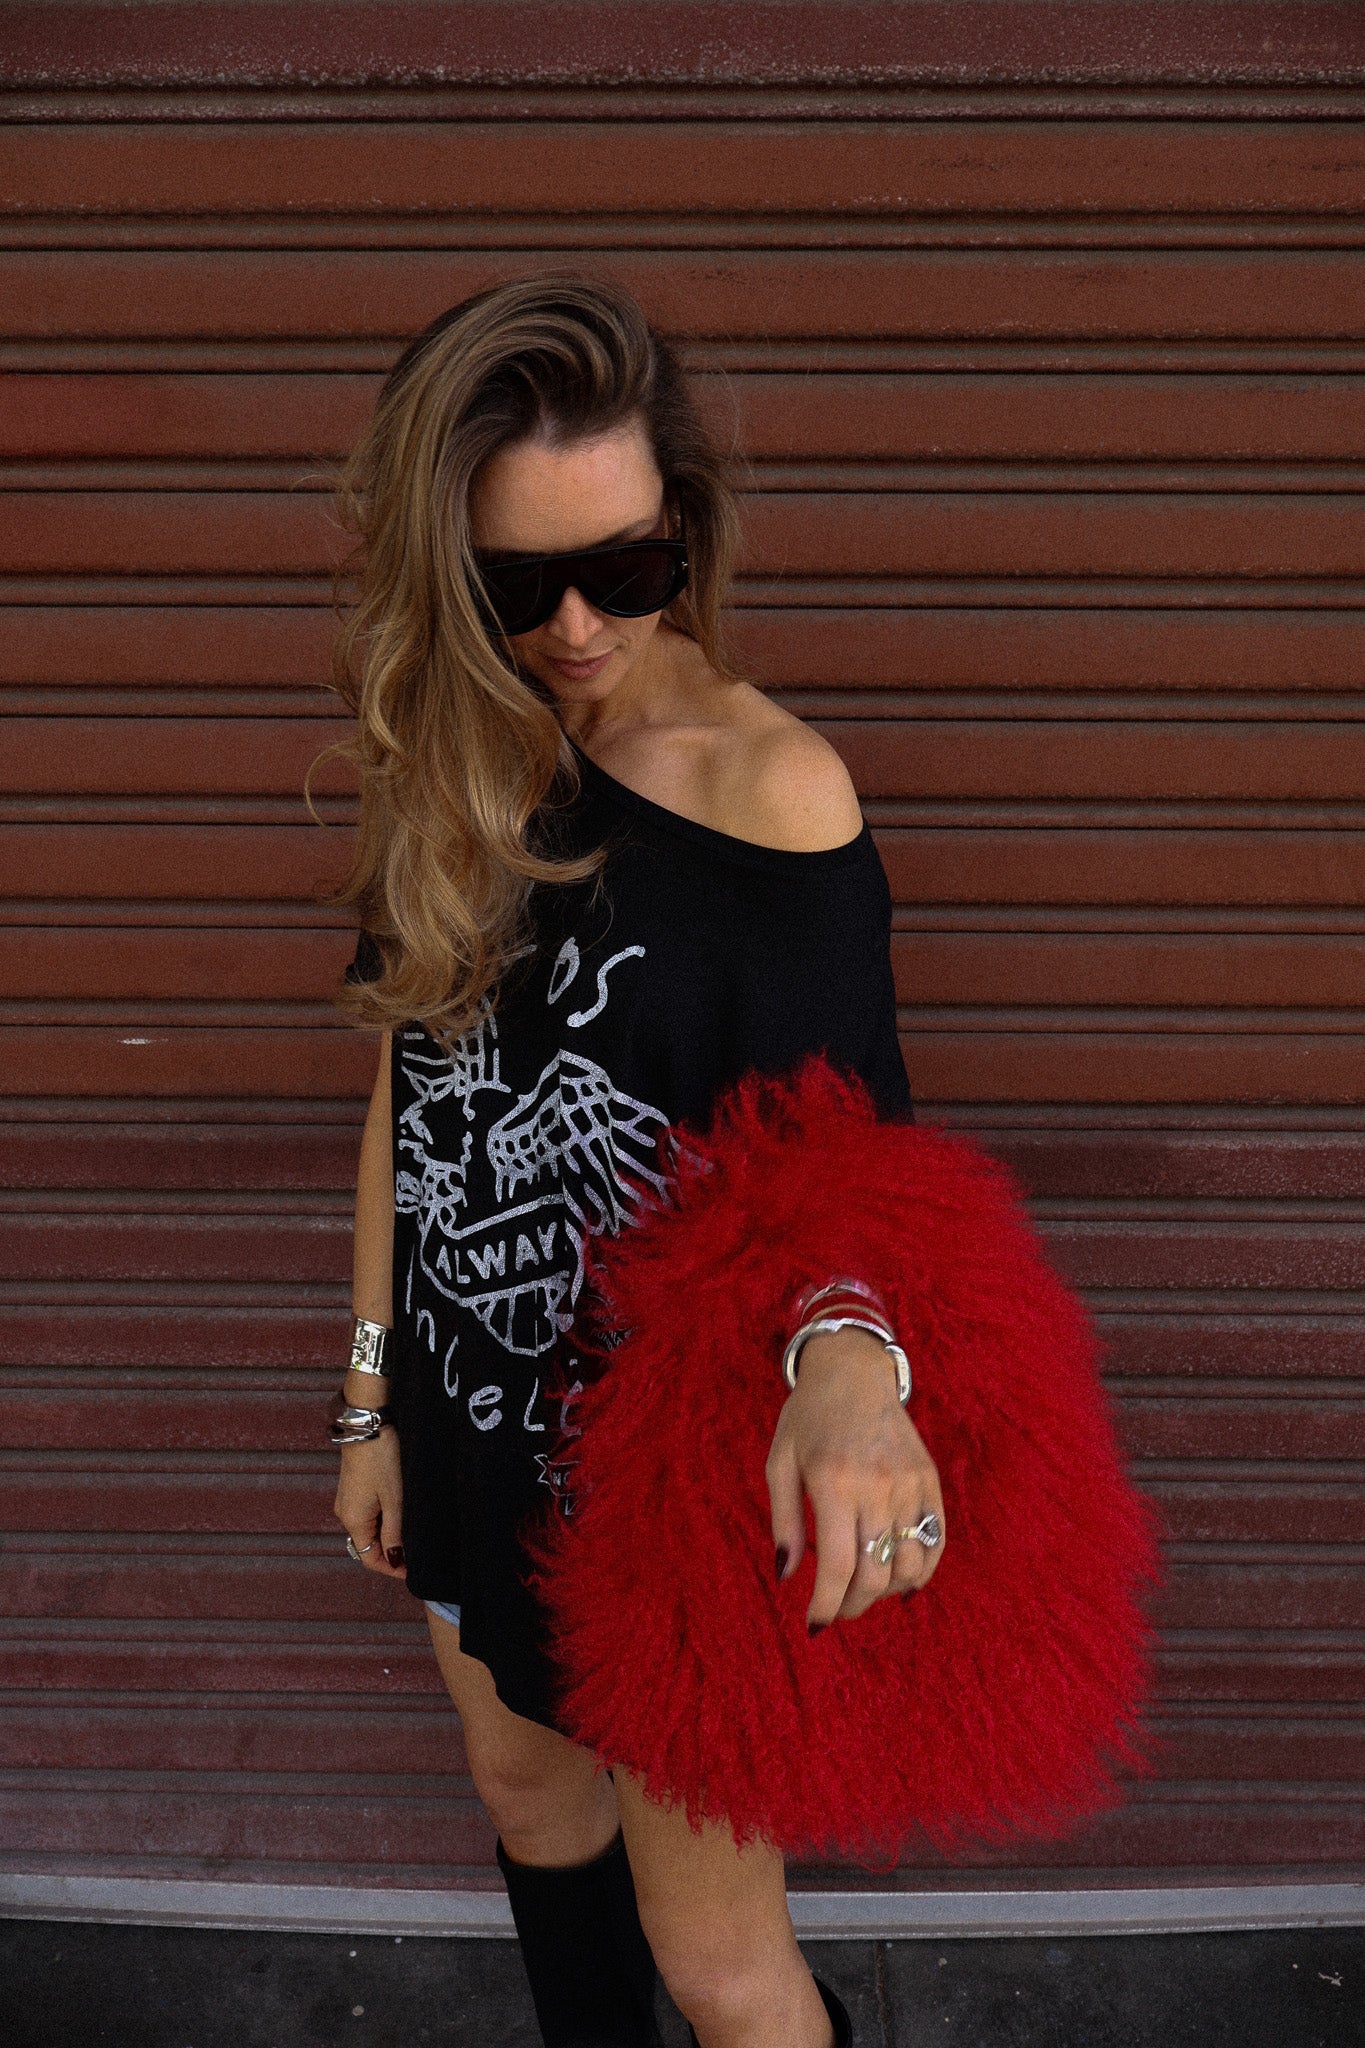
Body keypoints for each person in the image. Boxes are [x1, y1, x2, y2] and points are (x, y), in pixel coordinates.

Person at [321, 275, 947, 2048]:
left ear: (688, 526)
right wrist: (368, 1400)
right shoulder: (464, 747)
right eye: (517, 587)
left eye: (628, 566)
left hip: (668, 1486)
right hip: (466, 1413)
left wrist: (850, 1372)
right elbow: (413, 1086)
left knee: (723, 1968)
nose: (579, 624)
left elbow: (853, 1165)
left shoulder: (772, 791)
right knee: (529, 1802)